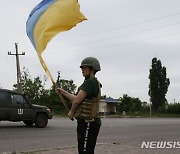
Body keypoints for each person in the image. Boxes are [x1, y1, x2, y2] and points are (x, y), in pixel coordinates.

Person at [56, 57, 102, 154]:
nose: (82, 70)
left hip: (89, 122)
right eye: (82, 68)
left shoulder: (91, 82)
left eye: (84, 68)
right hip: (87, 122)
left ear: (92, 69)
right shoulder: (90, 82)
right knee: (84, 150)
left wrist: (71, 112)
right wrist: (63, 92)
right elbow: (76, 98)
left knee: (85, 151)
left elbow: (76, 101)